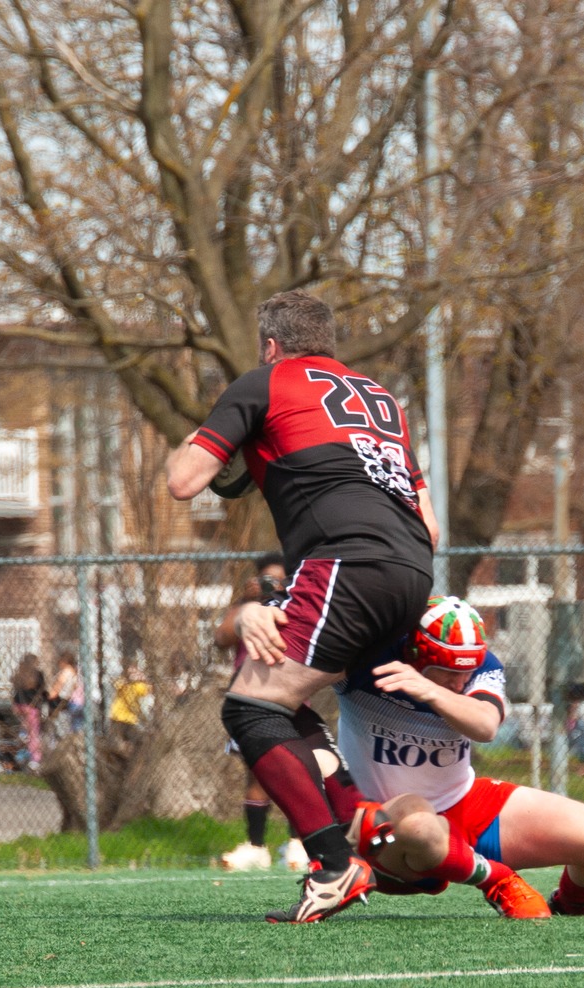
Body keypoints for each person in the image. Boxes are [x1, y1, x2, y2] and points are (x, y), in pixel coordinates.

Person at [165, 291, 439, 923]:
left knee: (250, 707)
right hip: (413, 571)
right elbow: (430, 524)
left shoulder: (263, 383)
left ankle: (335, 865)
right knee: (285, 704)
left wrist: (197, 437)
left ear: (270, 345)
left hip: (346, 562)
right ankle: (363, 833)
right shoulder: (382, 400)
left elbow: (184, 482)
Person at [339, 597, 584, 918]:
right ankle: (497, 880)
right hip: (385, 827)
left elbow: (485, 725)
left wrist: (431, 690)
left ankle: (578, 901)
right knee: (419, 824)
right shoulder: (366, 659)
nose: (459, 682)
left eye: (466, 671)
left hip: (464, 802)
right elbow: (308, 676)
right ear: (416, 655)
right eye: (448, 671)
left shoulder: (484, 666)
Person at [215, 554, 307, 873]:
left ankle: (298, 842)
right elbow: (221, 638)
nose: (272, 586)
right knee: (257, 770)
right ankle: (256, 846)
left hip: (290, 694)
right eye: (266, 580)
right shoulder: (246, 609)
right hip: (251, 696)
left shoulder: (299, 607)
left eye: (280, 580)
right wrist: (247, 604)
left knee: (299, 769)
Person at [9, 653, 47, 771]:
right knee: (33, 733)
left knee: (23, 730)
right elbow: (42, 690)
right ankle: (35, 759)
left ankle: (18, 756)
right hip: (32, 707)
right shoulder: (38, 674)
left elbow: (14, 690)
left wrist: (14, 705)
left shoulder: (19, 673)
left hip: (19, 706)